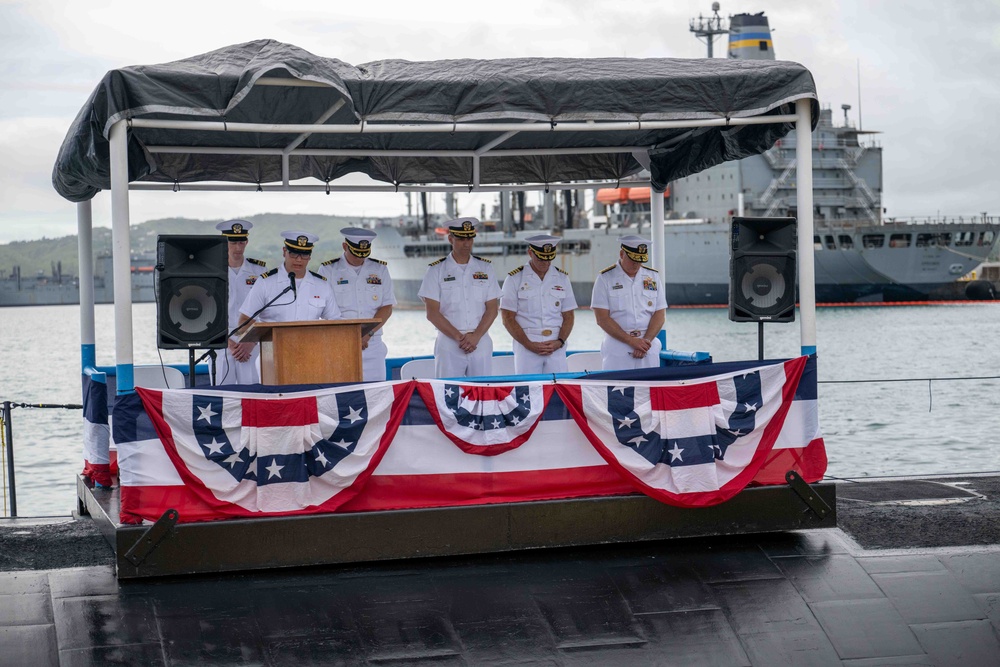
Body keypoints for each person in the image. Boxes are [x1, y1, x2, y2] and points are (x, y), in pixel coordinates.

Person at [418, 217, 500, 378]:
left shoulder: (485, 268)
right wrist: (460, 338)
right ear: (450, 239)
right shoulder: (436, 270)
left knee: (482, 394)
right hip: (450, 343)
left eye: (470, 238)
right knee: (448, 395)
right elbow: (432, 313)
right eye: (461, 239)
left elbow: (492, 308)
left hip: (480, 341)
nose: (466, 243)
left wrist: (475, 337)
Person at [319, 227, 396, 382]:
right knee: (343, 394)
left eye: (363, 254)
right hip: (340, 342)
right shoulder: (328, 270)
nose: (359, 258)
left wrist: (367, 334)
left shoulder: (380, 269)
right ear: (345, 246)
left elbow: (387, 307)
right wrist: (350, 335)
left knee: (376, 392)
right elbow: (324, 309)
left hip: (372, 343)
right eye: (355, 253)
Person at [500, 234, 577, 374]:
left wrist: (559, 342)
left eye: (549, 258)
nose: (545, 263)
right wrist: (529, 344)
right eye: (541, 258)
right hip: (526, 346)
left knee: (558, 390)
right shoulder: (514, 279)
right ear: (530, 252)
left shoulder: (562, 278)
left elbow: (569, 316)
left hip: (556, 347)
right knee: (527, 391)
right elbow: (507, 318)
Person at [591, 235, 667, 371]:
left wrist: (646, 342)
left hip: (647, 346)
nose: (636, 264)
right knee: (617, 389)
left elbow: (660, 313)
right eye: (633, 259)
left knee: (649, 390)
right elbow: (602, 319)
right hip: (618, 346)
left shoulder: (653, 277)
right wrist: (631, 341)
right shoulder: (605, 278)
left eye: (640, 260)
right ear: (622, 254)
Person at [238, 231, 340, 331]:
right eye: (294, 253)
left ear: (310, 256)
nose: (299, 260)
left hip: (311, 346)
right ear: (284, 252)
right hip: (274, 346)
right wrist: (257, 339)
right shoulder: (265, 283)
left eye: (304, 255)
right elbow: (244, 320)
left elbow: (335, 321)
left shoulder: (322, 285)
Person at [215, 220, 267, 384]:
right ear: (224, 242)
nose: (238, 247)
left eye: (241, 242)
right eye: (233, 242)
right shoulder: (213, 271)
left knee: (252, 393)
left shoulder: (259, 271)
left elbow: (266, 311)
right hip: (221, 341)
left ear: (246, 242)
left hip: (251, 342)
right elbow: (207, 312)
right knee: (222, 396)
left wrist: (251, 342)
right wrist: (228, 342)